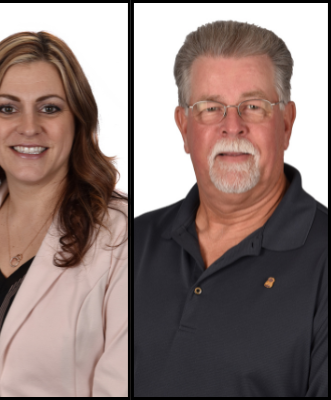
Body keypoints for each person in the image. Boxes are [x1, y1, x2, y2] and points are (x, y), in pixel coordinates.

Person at [134, 20, 328, 397]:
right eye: (211, 108)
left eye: (253, 107)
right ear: (184, 127)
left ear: (286, 124)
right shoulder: (132, 242)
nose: (233, 127)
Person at [0, 31, 129, 397]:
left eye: (50, 108)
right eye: (7, 108)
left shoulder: (122, 237)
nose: (28, 127)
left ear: (79, 120)